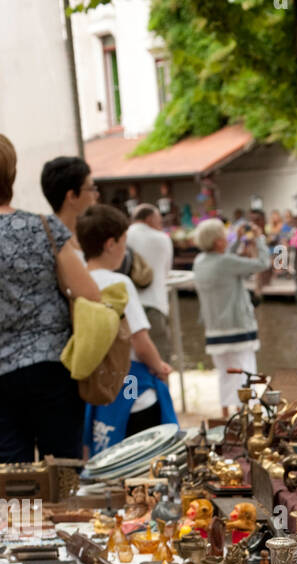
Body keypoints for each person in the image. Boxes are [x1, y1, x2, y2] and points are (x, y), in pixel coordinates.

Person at [0, 134, 102, 461]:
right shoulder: (44, 227)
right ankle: (65, 514)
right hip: (51, 366)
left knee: (9, 476)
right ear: (12, 175)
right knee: (62, 469)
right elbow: (89, 294)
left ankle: (18, 514)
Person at [77, 204, 175, 452]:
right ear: (110, 244)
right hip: (131, 382)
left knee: (107, 451)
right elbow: (140, 343)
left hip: (99, 383)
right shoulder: (119, 284)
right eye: (124, 241)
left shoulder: (76, 282)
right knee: (143, 459)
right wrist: (160, 367)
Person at [193, 216, 271, 414]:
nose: (226, 239)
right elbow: (262, 263)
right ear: (217, 241)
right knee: (245, 371)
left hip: (214, 330)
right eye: (223, 237)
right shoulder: (226, 262)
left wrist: (236, 241)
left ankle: (226, 414)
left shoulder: (200, 261)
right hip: (237, 327)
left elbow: (220, 259)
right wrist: (259, 239)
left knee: (225, 375)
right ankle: (246, 414)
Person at [126, 204, 174, 361]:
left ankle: (133, 386)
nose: (161, 224)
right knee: (159, 357)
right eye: (159, 220)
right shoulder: (162, 239)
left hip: (126, 305)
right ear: (149, 219)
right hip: (155, 303)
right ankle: (160, 385)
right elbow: (166, 270)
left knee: (130, 361)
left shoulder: (123, 236)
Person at [40, 155, 99, 248]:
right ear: (72, 196)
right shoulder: (48, 245)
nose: (97, 194)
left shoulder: (90, 237)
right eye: (91, 188)